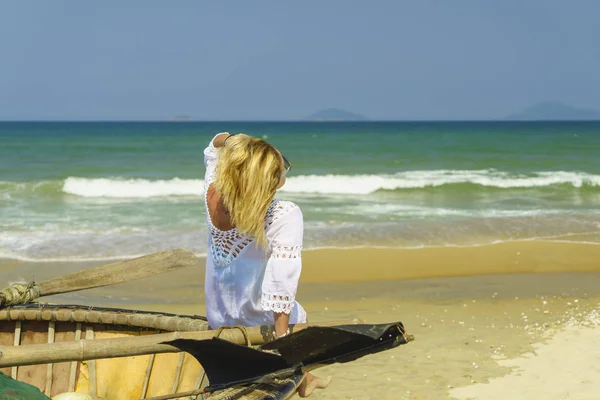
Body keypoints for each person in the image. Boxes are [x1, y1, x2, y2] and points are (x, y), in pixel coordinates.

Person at [202, 132, 330, 397]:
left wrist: (237, 141)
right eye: (280, 172)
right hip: (258, 322)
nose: (284, 176)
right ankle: (302, 375)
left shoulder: (212, 192)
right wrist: (284, 345)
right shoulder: (283, 213)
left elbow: (214, 146)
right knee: (295, 312)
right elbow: (282, 282)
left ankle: (306, 379)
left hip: (221, 318)